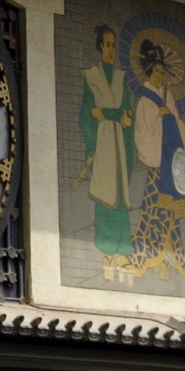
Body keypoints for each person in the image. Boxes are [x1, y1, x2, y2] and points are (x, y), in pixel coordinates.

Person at [129, 40, 185, 279]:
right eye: (156, 71)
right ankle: (149, 254)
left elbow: (179, 124)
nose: (160, 75)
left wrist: (170, 118)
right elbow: (143, 131)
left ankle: (170, 256)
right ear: (149, 72)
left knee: (171, 211)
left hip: (171, 161)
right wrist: (159, 118)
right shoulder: (146, 99)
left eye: (162, 71)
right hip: (158, 164)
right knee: (154, 208)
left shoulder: (169, 98)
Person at [73, 24, 135, 282]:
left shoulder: (120, 78)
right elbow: (87, 115)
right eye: (107, 45)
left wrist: (110, 115)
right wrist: (92, 146)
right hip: (102, 144)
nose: (112, 50)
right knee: (104, 197)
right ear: (100, 47)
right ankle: (108, 253)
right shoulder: (92, 76)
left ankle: (124, 252)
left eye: (114, 45)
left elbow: (126, 114)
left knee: (120, 198)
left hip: (120, 145)